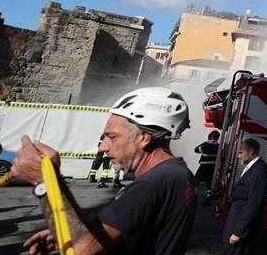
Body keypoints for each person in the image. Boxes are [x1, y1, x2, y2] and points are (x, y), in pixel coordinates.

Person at [11, 87, 196, 255]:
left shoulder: (152, 183)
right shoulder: (176, 174)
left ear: (143, 138)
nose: (102, 147)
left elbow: (83, 250)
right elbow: (116, 234)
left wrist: (43, 181)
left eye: (112, 137)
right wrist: (69, 233)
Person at [223, 138, 267, 255]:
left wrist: (239, 232)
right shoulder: (253, 168)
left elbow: (254, 205)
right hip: (236, 224)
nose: (238, 156)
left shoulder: (259, 171)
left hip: (241, 230)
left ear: (251, 152)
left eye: (240, 152)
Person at [195, 130, 221, 204]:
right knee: (210, 183)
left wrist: (203, 144)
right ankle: (208, 199)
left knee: (195, 180)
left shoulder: (205, 145)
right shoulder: (218, 146)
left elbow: (196, 150)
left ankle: (189, 196)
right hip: (213, 167)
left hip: (204, 166)